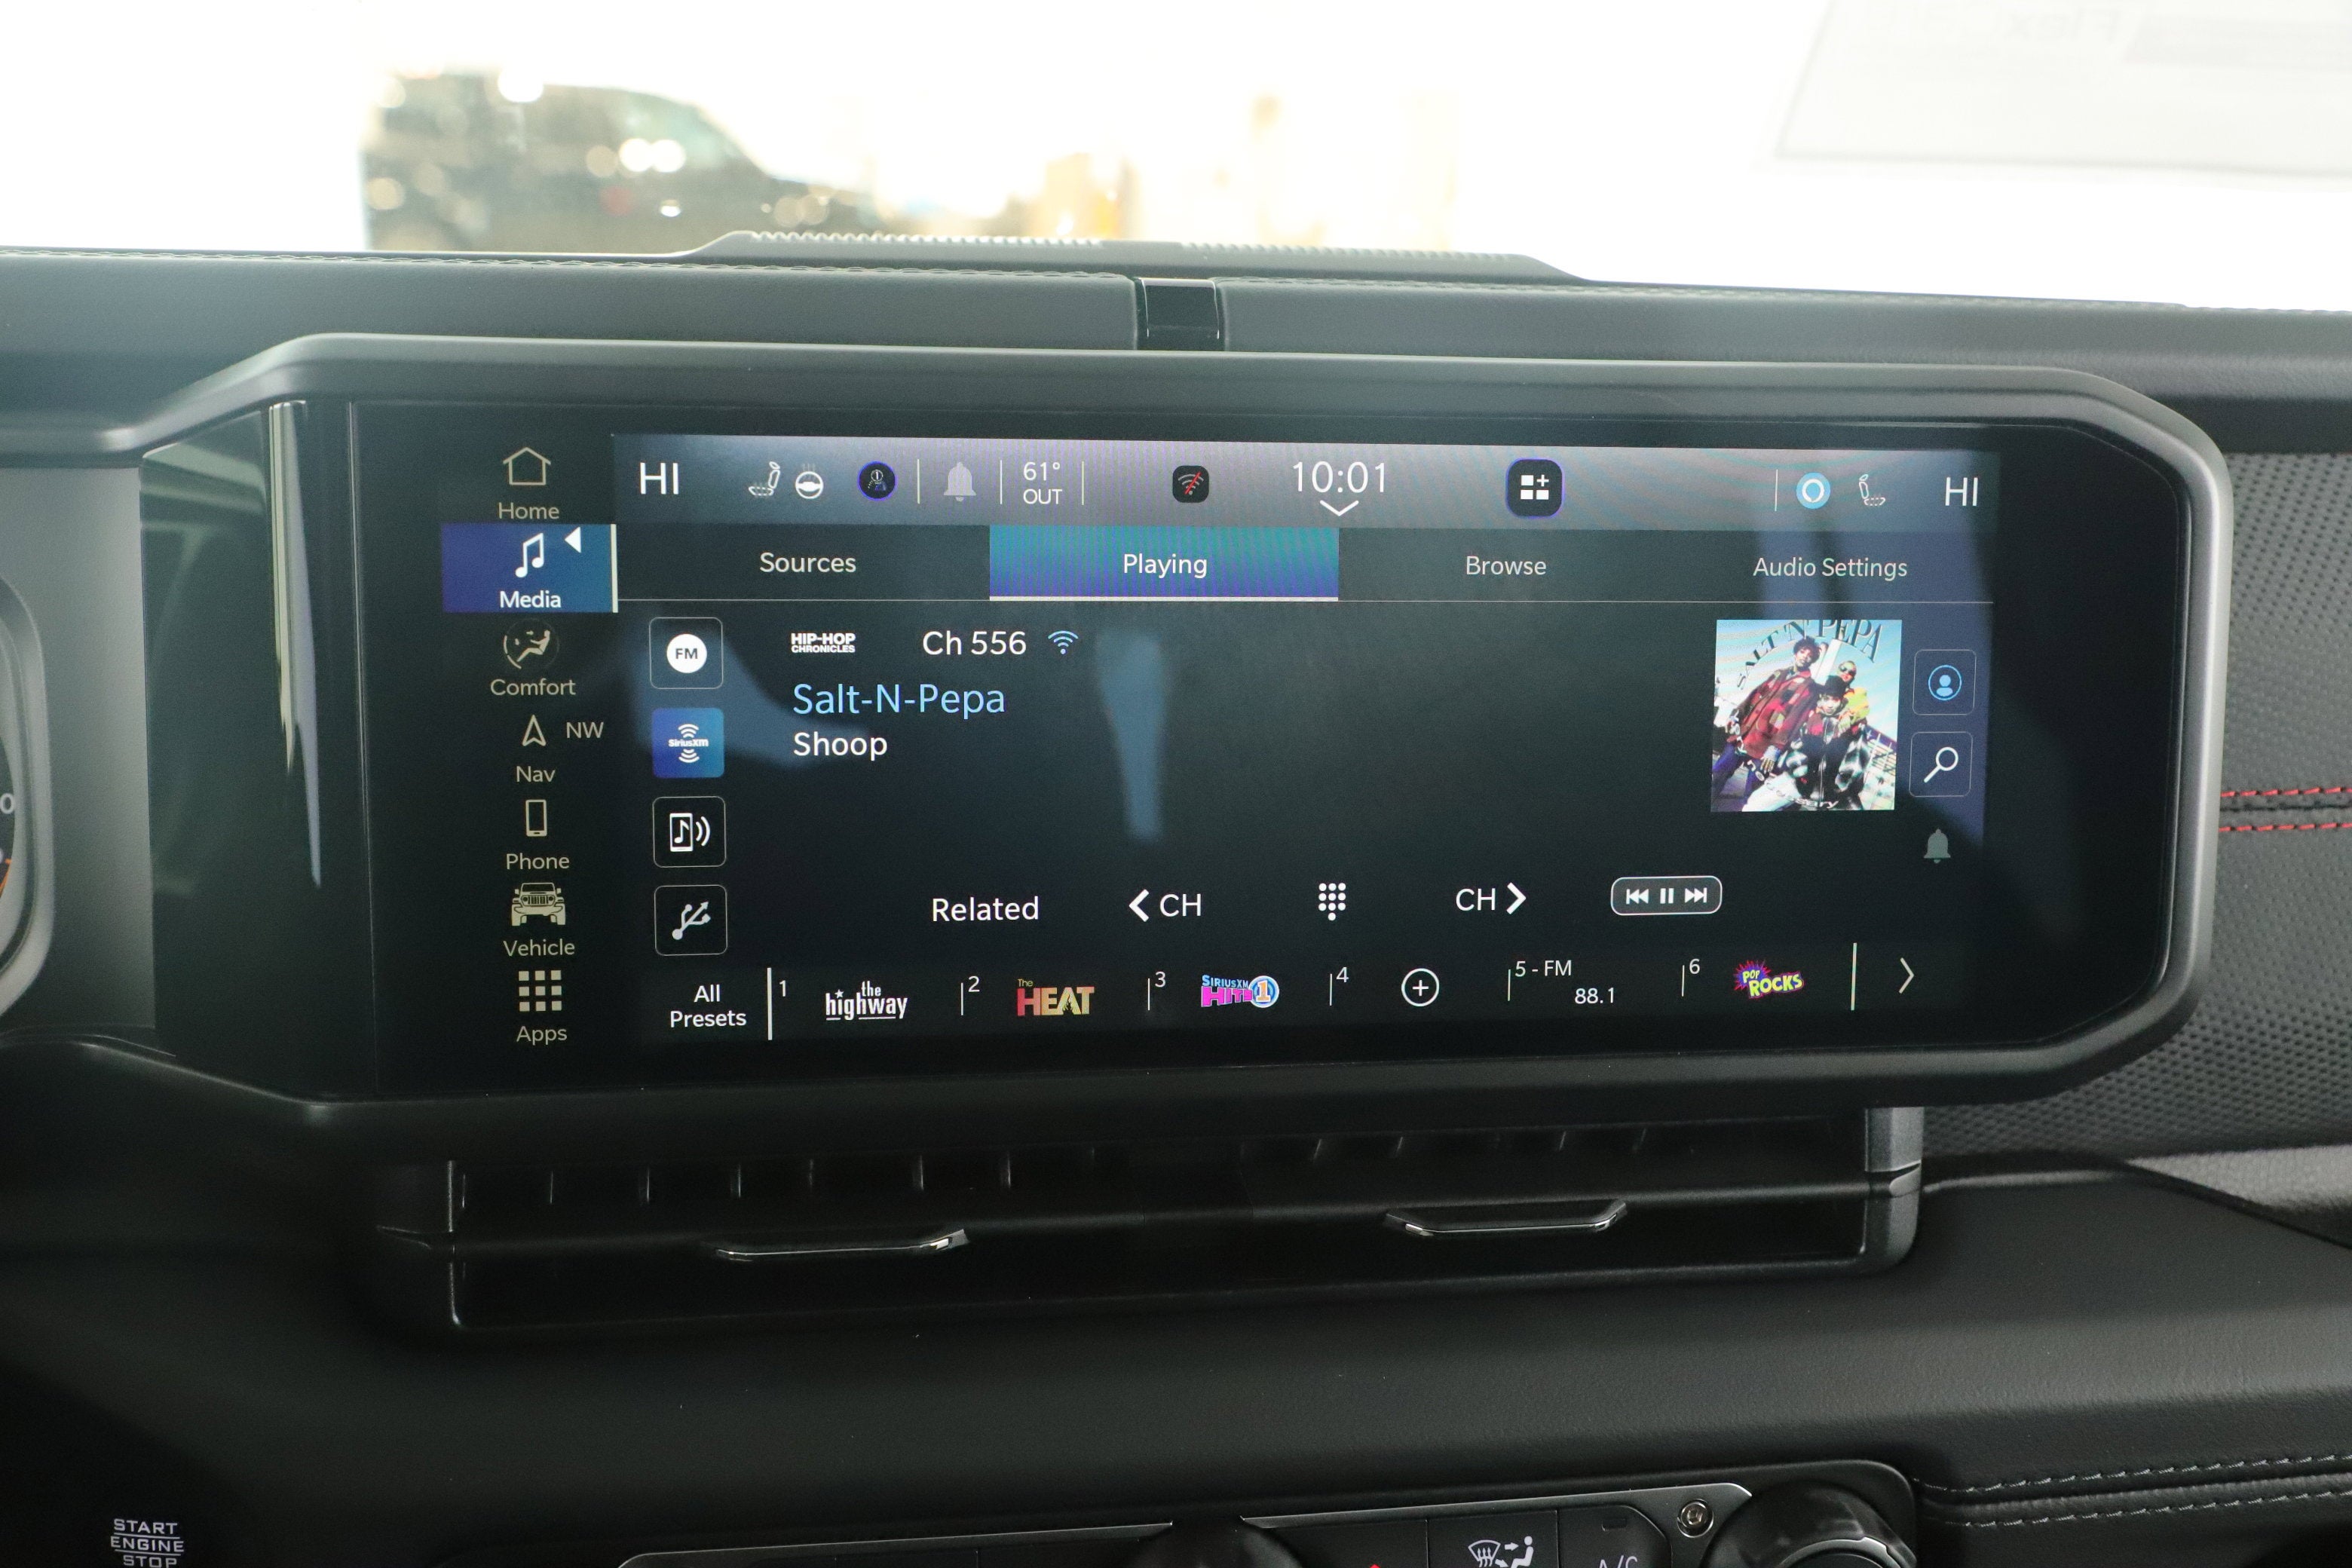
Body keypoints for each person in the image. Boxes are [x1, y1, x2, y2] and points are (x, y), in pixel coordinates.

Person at [1713, 637, 1822, 802]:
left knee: (1753, 796)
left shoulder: (1809, 687)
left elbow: (1794, 721)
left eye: (1810, 655)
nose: (1805, 657)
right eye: (1802, 652)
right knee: (1715, 777)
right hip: (1743, 736)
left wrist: (1775, 749)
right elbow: (1755, 695)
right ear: (1796, 653)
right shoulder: (1778, 674)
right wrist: (1736, 716)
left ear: (1813, 661)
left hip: (1765, 749)